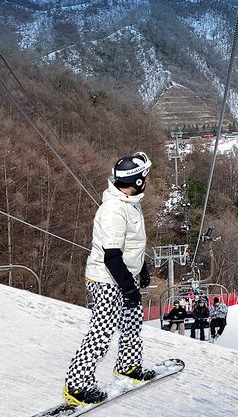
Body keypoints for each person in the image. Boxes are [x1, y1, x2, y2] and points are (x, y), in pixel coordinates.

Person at [64, 152, 155, 406]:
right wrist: (128, 288)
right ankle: (77, 385)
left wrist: (141, 268)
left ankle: (128, 365)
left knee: (132, 323)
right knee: (102, 332)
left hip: (125, 274)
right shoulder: (114, 210)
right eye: (144, 177)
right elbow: (112, 256)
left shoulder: (129, 201)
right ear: (136, 181)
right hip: (106, 279)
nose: (146, 180)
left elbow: (131, 244)